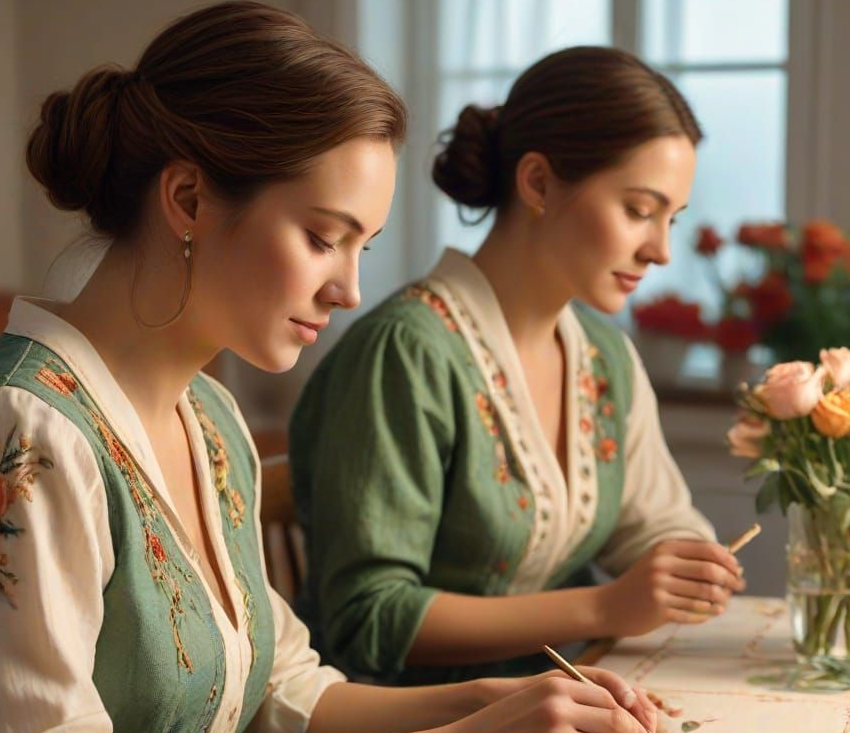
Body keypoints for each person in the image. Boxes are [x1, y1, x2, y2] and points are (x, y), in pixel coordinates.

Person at [0, 8, 662, 733]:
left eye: (363, 247)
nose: (349, 288)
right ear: (187, 198)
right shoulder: (13, 440)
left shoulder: (209, 419)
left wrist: (482, 708)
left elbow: (278, 692)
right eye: (321, 235)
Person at [289, 45, 746, 687]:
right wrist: (607, 605)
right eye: (640, 210)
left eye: (672, 218)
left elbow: (652, 520)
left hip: (560, 702)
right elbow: (368, 616)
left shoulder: (603, 352)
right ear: (537, 182)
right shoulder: (405, 353)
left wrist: (683, 563)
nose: (662, 250)